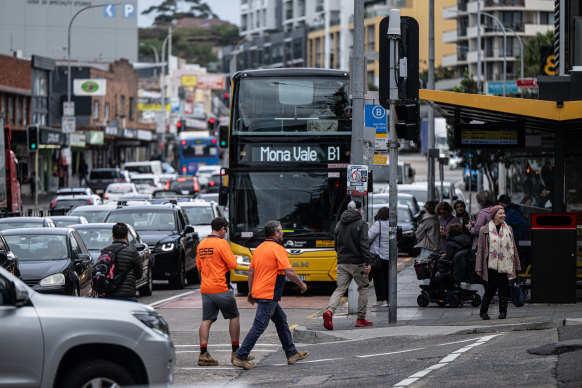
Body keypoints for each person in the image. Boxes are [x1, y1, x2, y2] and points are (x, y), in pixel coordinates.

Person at [232, 221, 309, 370]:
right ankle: (241, 356)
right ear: (275, 233)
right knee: (259, 325)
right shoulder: (277, 249)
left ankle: (291, 353)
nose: (283, 233)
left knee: (281, 320)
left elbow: (251, 272)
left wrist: (251, 291)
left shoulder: (259, 249)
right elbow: (289, 271)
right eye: (281, 231)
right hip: (269, 293)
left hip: (262, 292)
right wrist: (302, 284)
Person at [196, 217, 250, 366]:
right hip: (221, 287)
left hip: (206, 288)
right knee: (234, 316)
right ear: (222, 229)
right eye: (226, 230)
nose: (226, 233)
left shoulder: (201, 244)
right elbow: (232, 264)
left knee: (206, 320)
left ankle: (203, 353)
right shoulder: (222, 244)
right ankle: (236, 351)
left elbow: (199, 267)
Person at [323, 200, 372, 330]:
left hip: (342, 262)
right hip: (357, 263)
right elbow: (364, 244)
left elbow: (336, 244)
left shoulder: (340, 223)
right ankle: (361, 318)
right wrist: (368, 262)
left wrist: (340, 256)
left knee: (340, 289)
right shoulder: (362, 223)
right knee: (363, 287)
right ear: (359, 209)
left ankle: (329, 311)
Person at [475, 205, 521, 320]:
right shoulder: (484, 230)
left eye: (503, 213)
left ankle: (503, 312)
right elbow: (480, 249)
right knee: (490, 289)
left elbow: (513, 247)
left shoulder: (509, 229)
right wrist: (479, 266)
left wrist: (517, 264)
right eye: (500, 213)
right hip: (490, 264)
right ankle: (483, 312)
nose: (503, 215)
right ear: (494, 216)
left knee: (504, 288)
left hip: (505, 263)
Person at [101, 223, 142, 302]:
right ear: (127, 236)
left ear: (113, 236)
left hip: (108, 294)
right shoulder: (132, 251)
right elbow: (139, 274)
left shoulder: (105, 251)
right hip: (127, 295)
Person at [368, 207, 389, 307]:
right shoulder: (393, 224)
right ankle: (389, 299)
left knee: (378, 279)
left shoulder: (378, 224)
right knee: (388, 278)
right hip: (390, 256)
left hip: (379, 256)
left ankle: (381, 300)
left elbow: (368, 238)